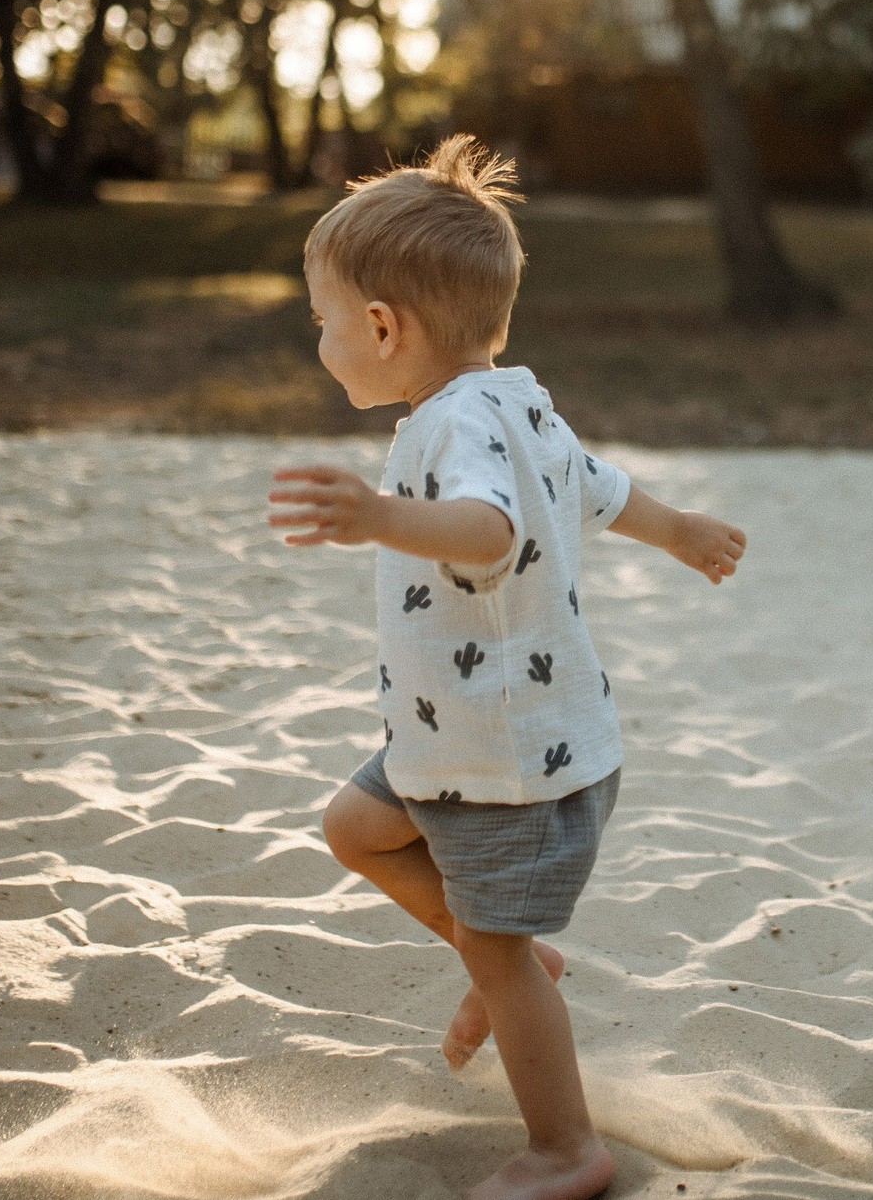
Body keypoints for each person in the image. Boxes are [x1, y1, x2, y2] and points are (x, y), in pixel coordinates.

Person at [267, 137, 744, 1200]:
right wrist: (683, 532)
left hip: (509, 758)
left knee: (495, 954)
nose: (322, 339)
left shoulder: (456, 427)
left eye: (322, 319)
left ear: (383, 326)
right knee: (354, 827)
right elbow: (603, 488)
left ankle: (565, 1144)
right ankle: (517, 963)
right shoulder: (519, 399)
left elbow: (487, 530)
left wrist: (377, 515)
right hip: (463, 728)